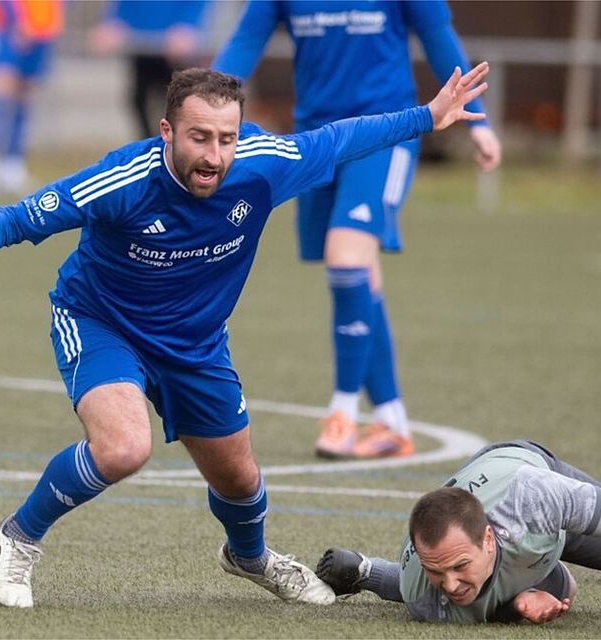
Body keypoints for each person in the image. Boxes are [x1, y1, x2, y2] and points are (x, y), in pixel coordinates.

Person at [0, 65, 490, 609]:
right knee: (123, 448)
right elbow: (26, 216)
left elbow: (341, 138)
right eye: (199, 138)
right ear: (167, 132)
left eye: (227, 138)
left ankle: (249, 558)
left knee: (241, 482)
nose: (215, 154)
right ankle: (18, 536)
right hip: (100, 321)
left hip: (195, 344)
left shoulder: (263, 167)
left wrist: (427, 116)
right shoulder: (124, 180)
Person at [212, 1, 503, 460]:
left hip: (386, 134)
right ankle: (391, 420)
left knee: (346, 262)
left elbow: (439, 38)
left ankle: (343, 412)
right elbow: (245, 42)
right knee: (359, 275)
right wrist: (204, 111)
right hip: (317, 140)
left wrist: (479, 121)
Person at [315, 440, 601, 624]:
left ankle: (369, 571)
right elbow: (559, 591)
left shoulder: (537, 496)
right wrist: (515, 605)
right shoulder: (425, 601)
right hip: (522, 543)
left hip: (518, 469)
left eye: (460, 565)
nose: (450, 586)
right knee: (561, 589)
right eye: (436, 571)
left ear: (488, 539)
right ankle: (364, 570)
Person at [0, 0, 63, 194]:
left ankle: (13, 164)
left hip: (43, 29)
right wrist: (16, 20)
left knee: (24, 98)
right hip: (9, 28)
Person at [88, 0, 210, 139]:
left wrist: (189, 24)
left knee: (179, 102)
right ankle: (152, 148)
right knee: (140, 99)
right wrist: (115, 22)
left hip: (179, 49)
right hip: (143, 45)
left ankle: (180, 145)